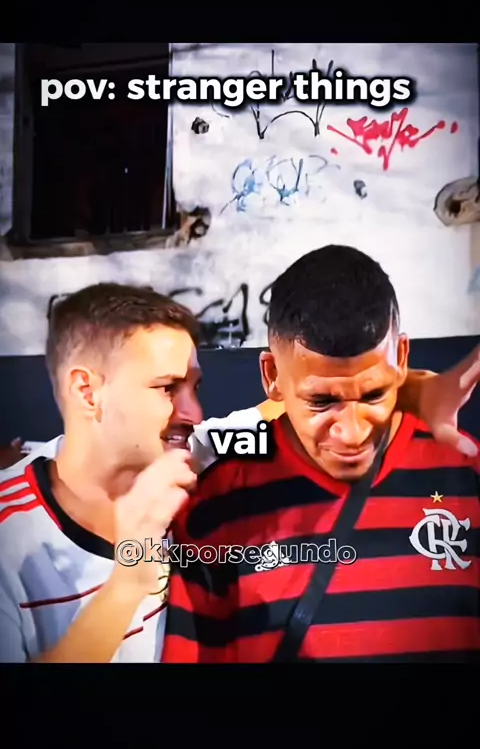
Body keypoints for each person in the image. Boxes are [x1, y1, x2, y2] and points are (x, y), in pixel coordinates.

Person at [0, 281, 478, 663]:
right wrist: (129, 583)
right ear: (87, 392)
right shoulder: (10, 537)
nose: (194, 413)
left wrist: (418, 389)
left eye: (195, 387)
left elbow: (302, 400)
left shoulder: (195, 451)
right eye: (167, 388)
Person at [162, 246, 480, 663]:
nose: (352, 432)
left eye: (374, 394)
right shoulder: (215, 505)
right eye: (322, 401)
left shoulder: (467, 477)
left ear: (402, 359)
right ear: (272, 376)